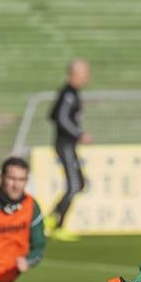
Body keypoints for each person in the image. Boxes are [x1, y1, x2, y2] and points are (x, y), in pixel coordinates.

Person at [45, 58, 91, 243]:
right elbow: (60, 117)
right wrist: (78, 133)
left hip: (69, 145)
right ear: (76, 73)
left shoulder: (72, 93)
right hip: (65, 145)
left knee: (78, 184)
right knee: (74, 185)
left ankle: (53, 218)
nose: (88, 76)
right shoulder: (68, 94)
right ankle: (56, 224)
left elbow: (53, 114)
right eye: (85, 72)